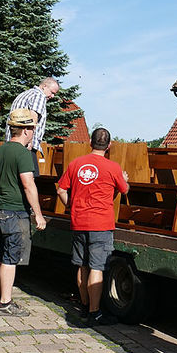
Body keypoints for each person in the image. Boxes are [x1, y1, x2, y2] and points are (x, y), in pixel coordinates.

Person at [56, 127, 130, 326]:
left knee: (82, 265)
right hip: (100, 223)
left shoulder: (75, 164)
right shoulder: (112, 167)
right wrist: (125, 179)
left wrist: (71, 205)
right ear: (109, 145)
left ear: (90, 142)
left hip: (78, 222)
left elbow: (61, 190)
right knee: (97, 267)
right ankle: (95, 313)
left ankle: (84, 306)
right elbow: (124, 190)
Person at [0, 108, 48, 316]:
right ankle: (5, 304)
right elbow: (28, 185)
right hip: (14, 213)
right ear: (24, 130)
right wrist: (38, 214)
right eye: (32, 128)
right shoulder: (23, 154)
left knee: (0, 254)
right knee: (10, 258)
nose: (33, 132)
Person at [4, 77, 60, 175]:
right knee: (29, 179)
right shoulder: (39, 96)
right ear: (44, 86)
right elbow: (33, 117)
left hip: (12, 142)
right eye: (52, 92)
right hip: (25, 145)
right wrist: (30, 141)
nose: (52, 96)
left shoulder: (23, 94)